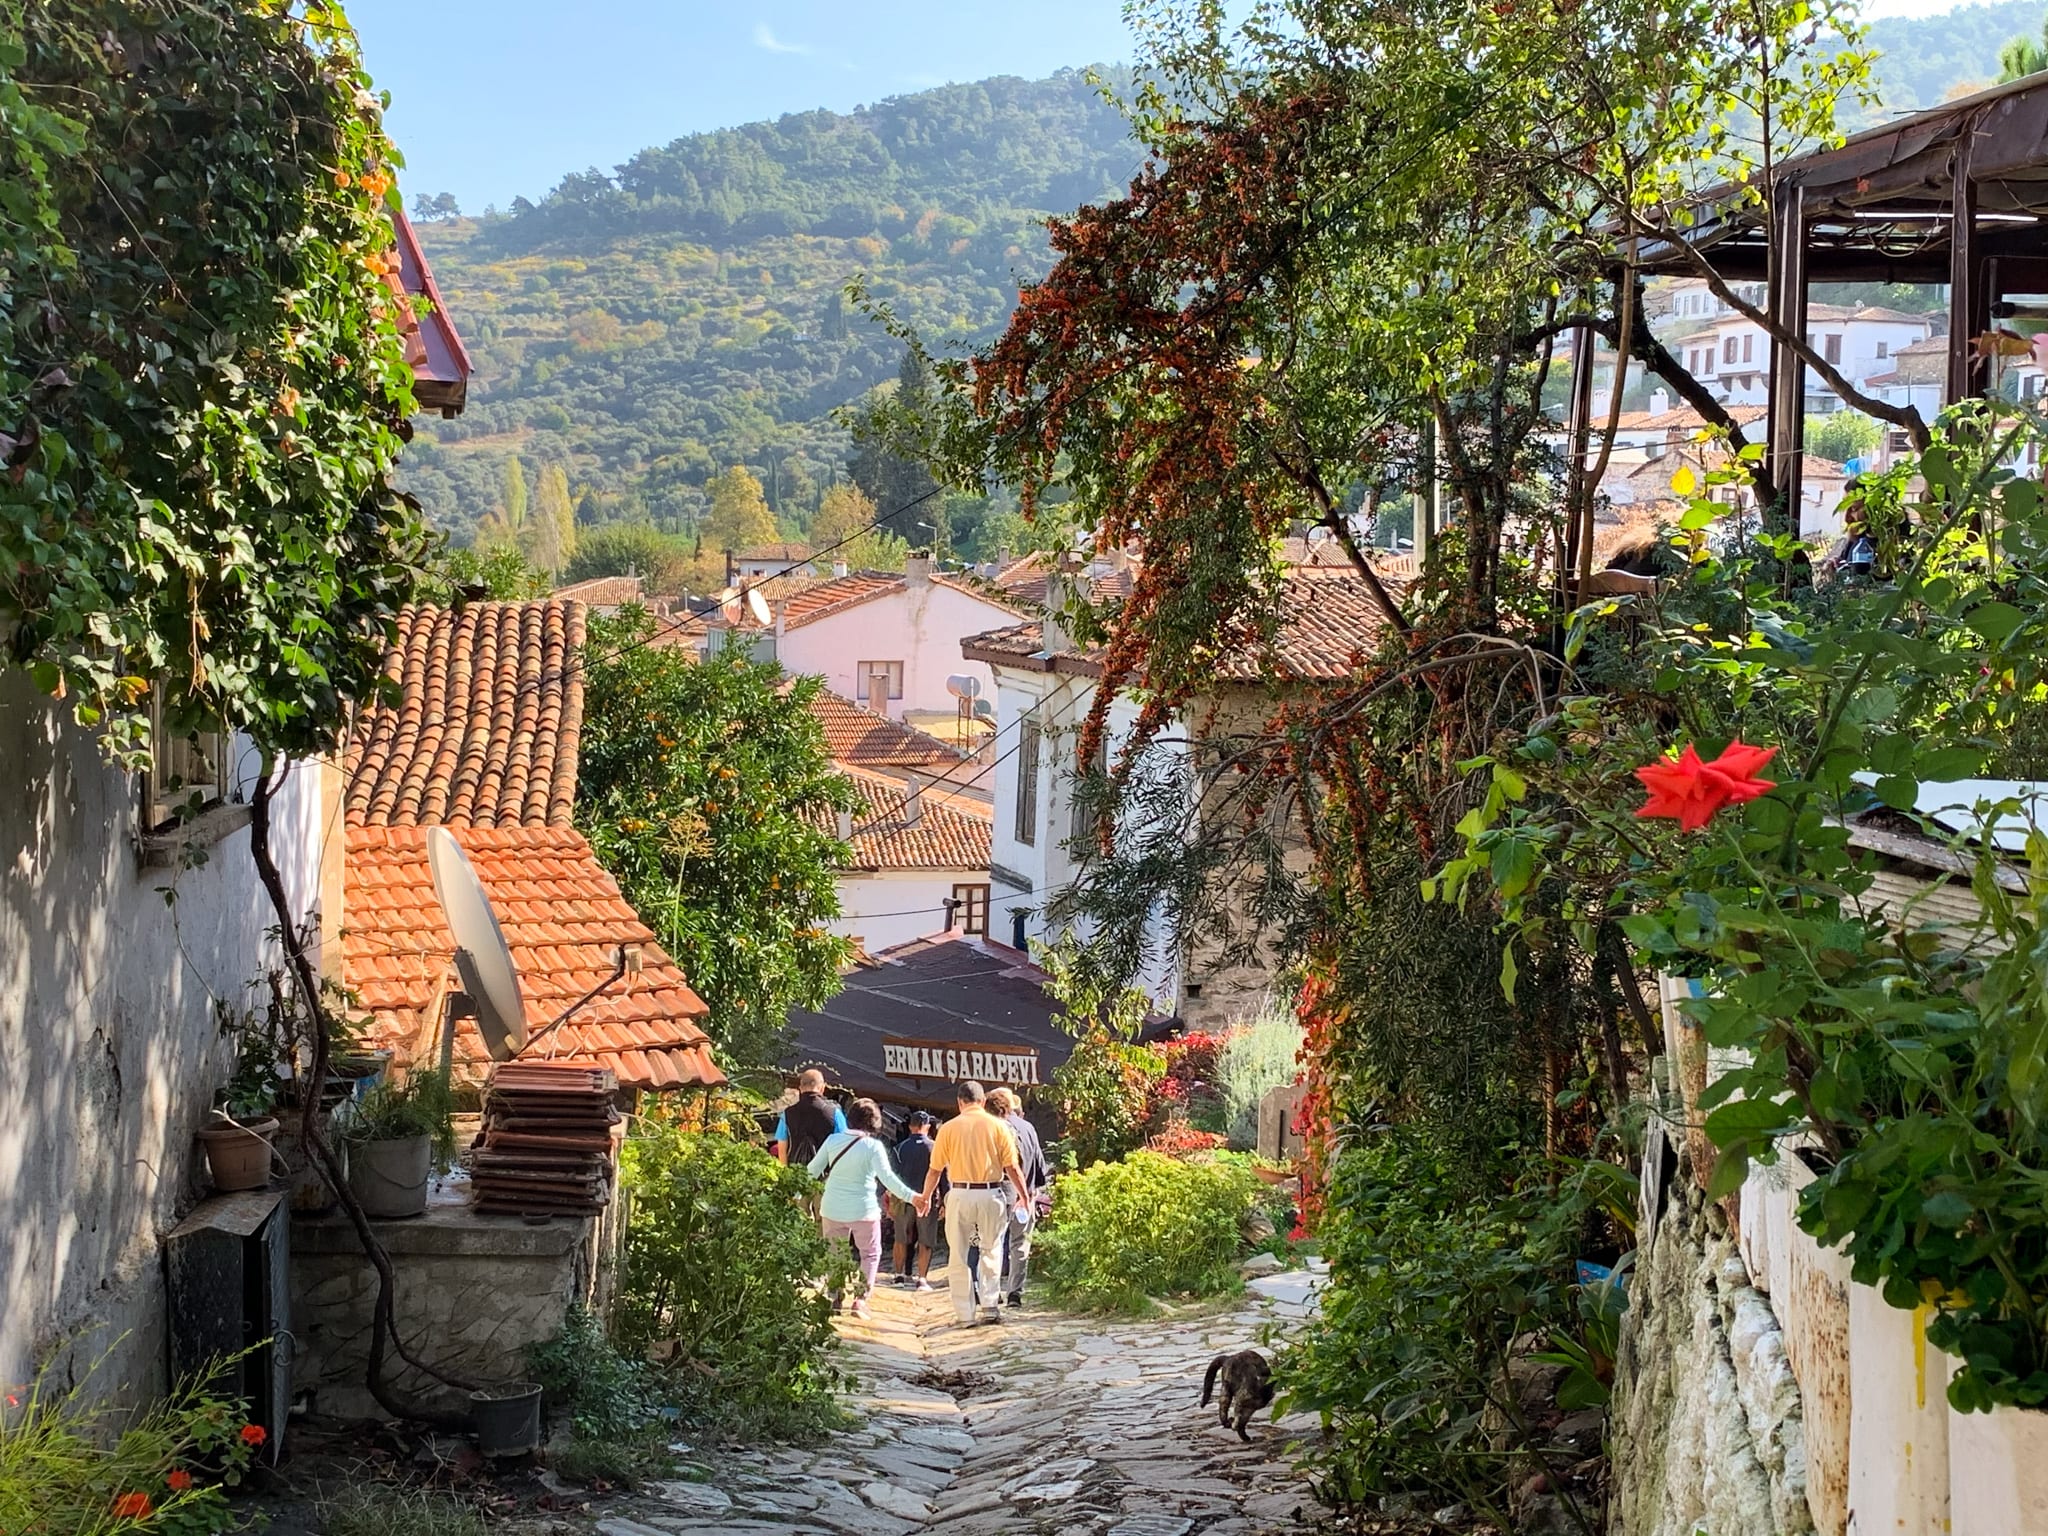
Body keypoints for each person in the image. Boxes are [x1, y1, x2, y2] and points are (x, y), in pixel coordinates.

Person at [918, 1081, 1029, 1328]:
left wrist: (925, 1197)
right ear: (982, 1101)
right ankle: (990, 1305)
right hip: (990, 1192)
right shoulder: (998, 1127)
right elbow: (1012, 1167)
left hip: (959, 1193)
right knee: (992, 1249)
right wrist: (1024, 1196)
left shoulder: (948, 1128)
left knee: (958, 1253)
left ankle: (964, 1312)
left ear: (959, 1102)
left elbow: (934, 1170)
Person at [808, 1098, 924, 1319]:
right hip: (864, 1209)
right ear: (874, 1123)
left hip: (832, 1207)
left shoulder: (833, 1141)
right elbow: (888, 1179)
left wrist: (791, 1193)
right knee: (870, 1254)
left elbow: (812, 1170)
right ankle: (860, 1301)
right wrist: (913, 1197)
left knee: (834, 1254)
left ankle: (835, 1295)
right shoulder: (873, 1147)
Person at [986, 1088, 1048, 1308]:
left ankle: (992, 1292)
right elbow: (1040, 1164)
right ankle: (1015, 1293)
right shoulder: (1028, 1127)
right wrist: (1032, 1191)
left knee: (992, 1244)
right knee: (1020, 1245)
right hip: (1024, 1196)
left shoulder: (991, 1128)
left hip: (996, 1193)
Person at [890, 1111, 941, 1291]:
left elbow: (891, 1176)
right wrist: (943, 1200)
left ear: (910, 1126)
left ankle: (898, 1276)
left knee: (901, 1238)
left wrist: (888, 1197)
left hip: (903, 1199)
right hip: (927, 1200)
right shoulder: (936, 1148)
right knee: (926, 1240)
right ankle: (922, 1279)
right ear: (927, 1126)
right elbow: (942, 1176)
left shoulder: (899, 1148)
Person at [774, 1069, 845, 1166]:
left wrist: (786, 1175)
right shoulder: (835, 1114)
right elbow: (843, 1146)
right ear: (822, 1088)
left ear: (800, 1088)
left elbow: (782, 1150)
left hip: (795, 1173)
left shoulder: (787, 1114)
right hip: (824, 1174)